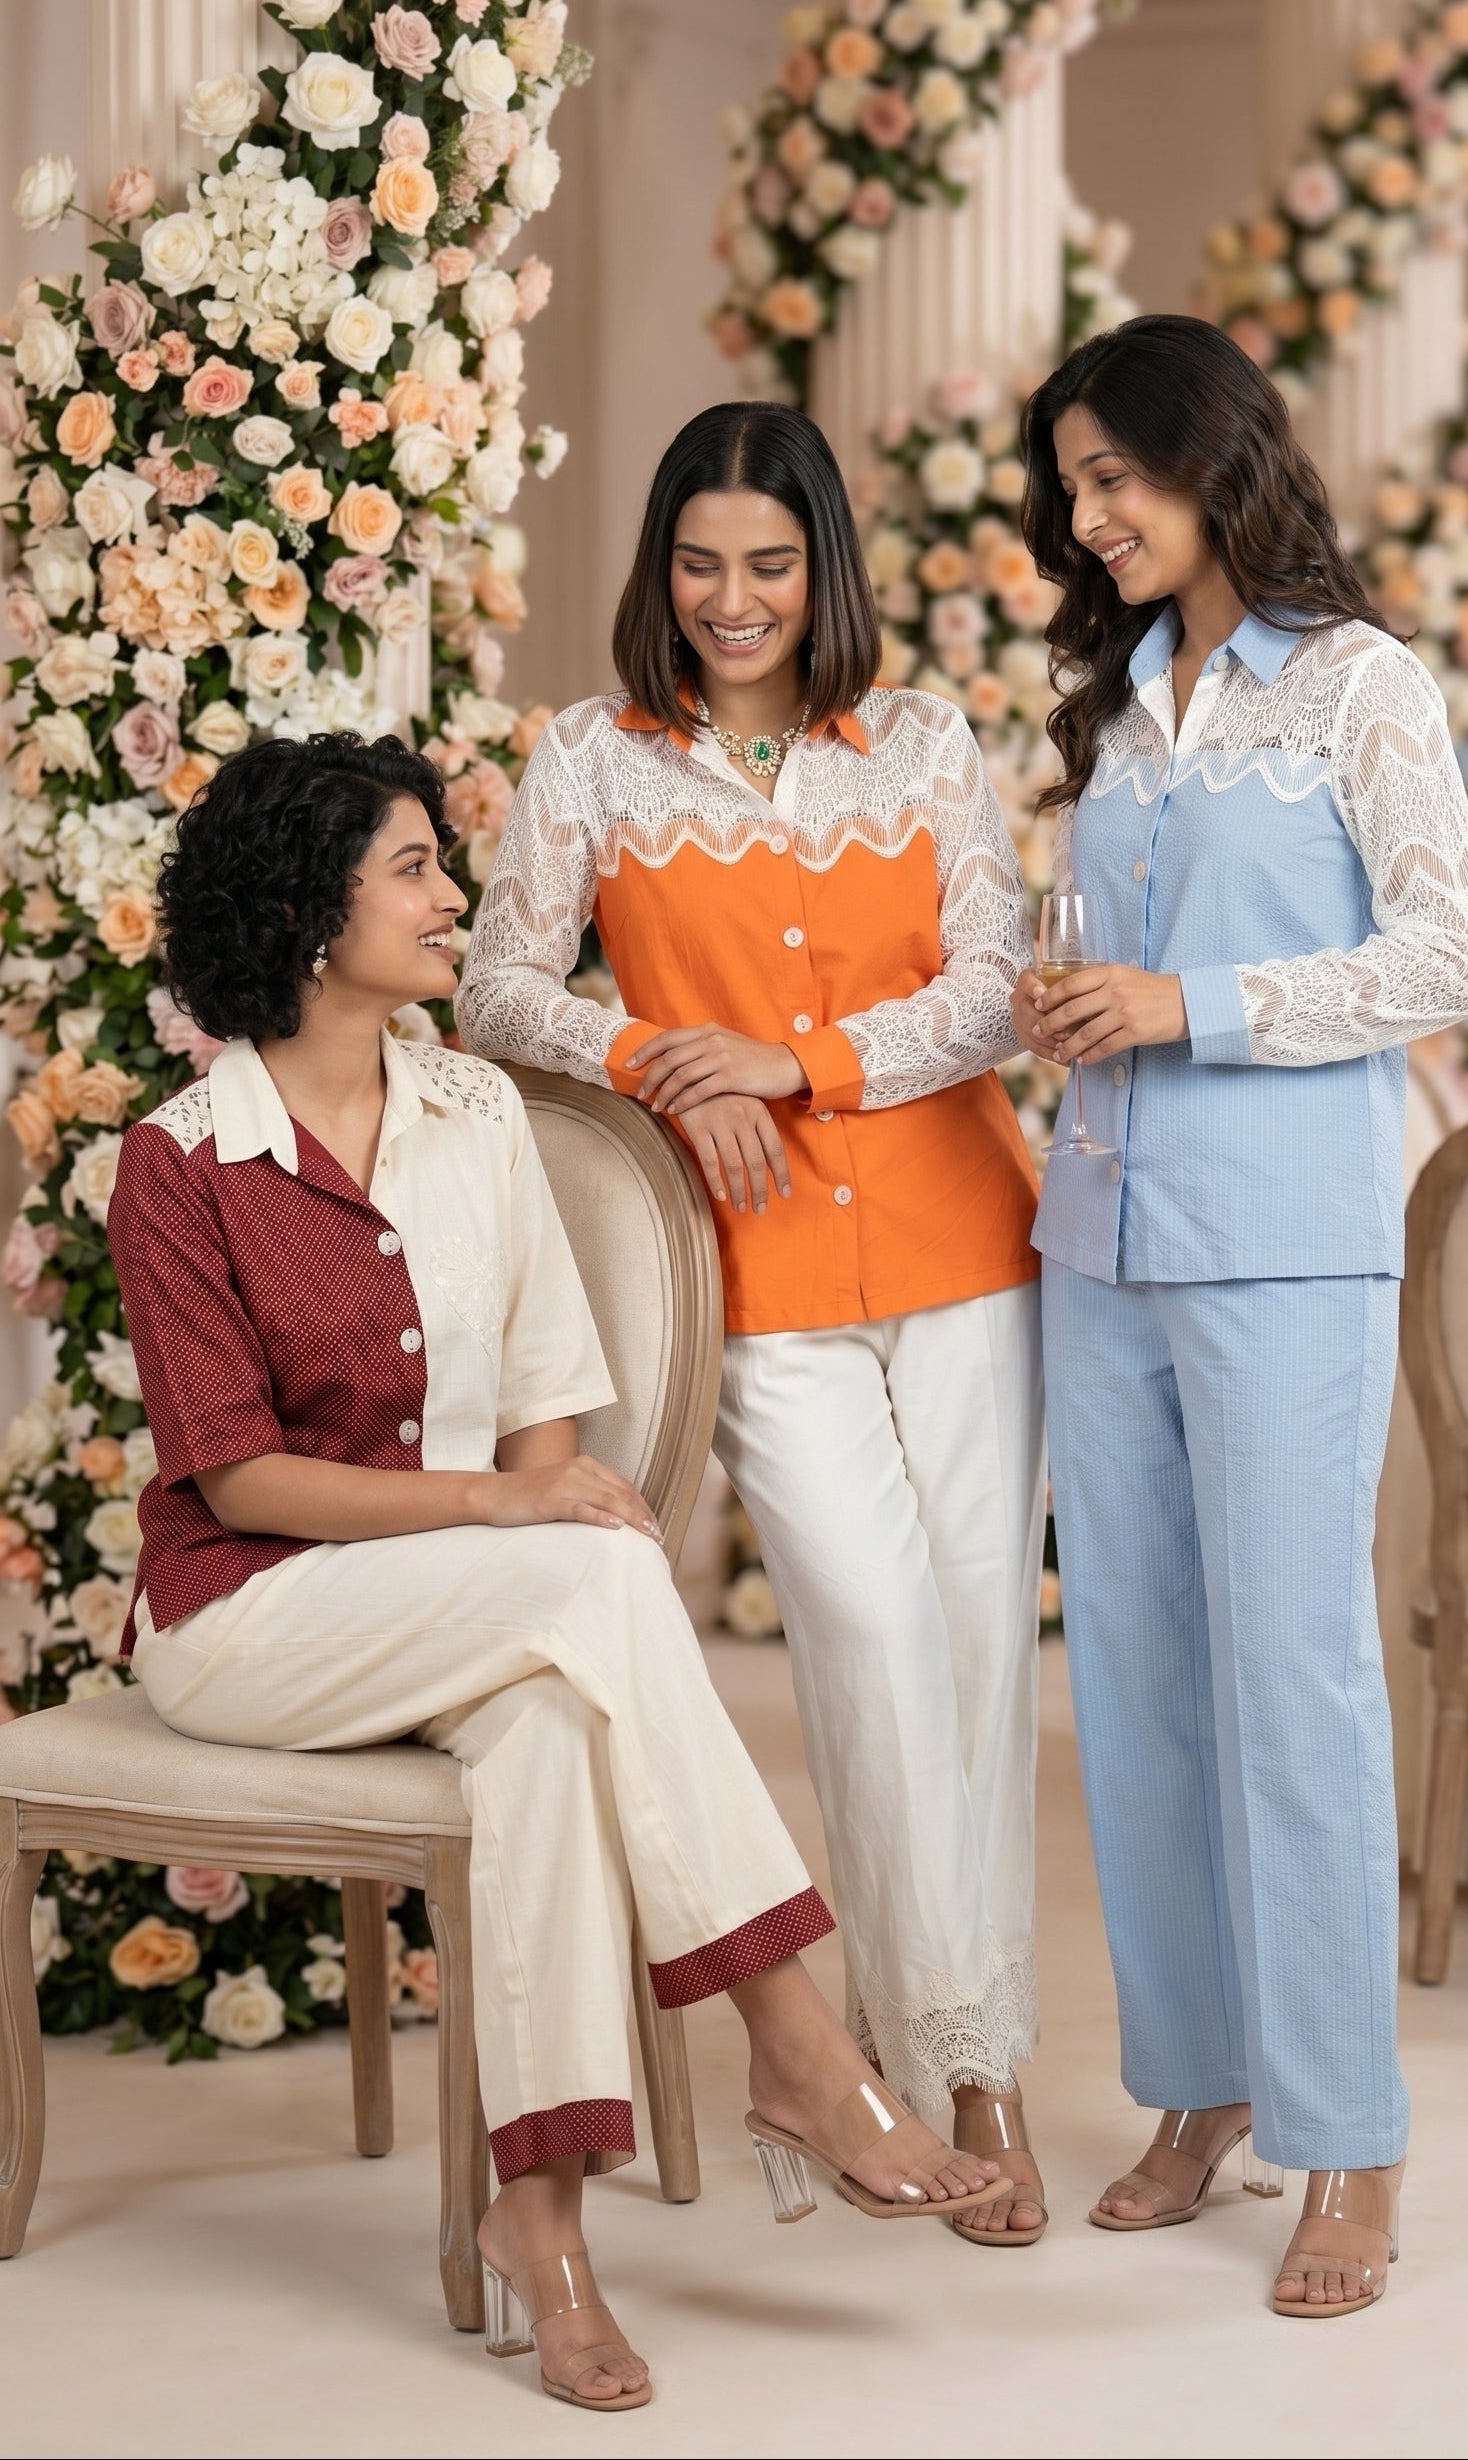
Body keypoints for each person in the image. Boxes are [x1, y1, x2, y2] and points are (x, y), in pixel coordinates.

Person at [107, 731, 1008, 2416]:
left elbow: (544, 1402)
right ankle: (801, 2049)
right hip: (245, 1618)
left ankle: (545, 2229)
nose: (455, 898)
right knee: (588, 1574)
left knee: (545, 1726)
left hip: (464, 1610)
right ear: (307, 915)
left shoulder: (476, 1116)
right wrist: (505, 1517)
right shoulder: (181, 1161)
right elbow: (237, 1479)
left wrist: (518, 1523)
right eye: (414, 871)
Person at [457, 403, 1050, 2245]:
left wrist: (794, 1061)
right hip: (763, 1280)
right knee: (868, 1635)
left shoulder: (926, 744)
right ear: (662, 570)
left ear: (823, 570)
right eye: (701, 563)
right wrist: (656, 1054)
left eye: (771, 564)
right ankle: (914, 2046)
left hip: (972, 1248)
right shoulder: (593, 760)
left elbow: (994, 991)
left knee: (977, 1646)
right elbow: (494, 988)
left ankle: (976, 2064)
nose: (734, 599)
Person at [1011, 315, 1468, 2316]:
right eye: (1070, 485)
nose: (1086, 515)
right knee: (1133, 1685)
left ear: (1213, 460)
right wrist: (1065, 1007)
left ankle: (1348, 2132)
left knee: (1294, 1680)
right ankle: (1201, 2085)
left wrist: (1185, 1006)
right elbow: (1106, 968)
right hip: (1101, 1242)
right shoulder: (1122, 705)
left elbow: (1450, 953)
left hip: (1287, 1244)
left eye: (1114, 476)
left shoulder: (1360, 685)